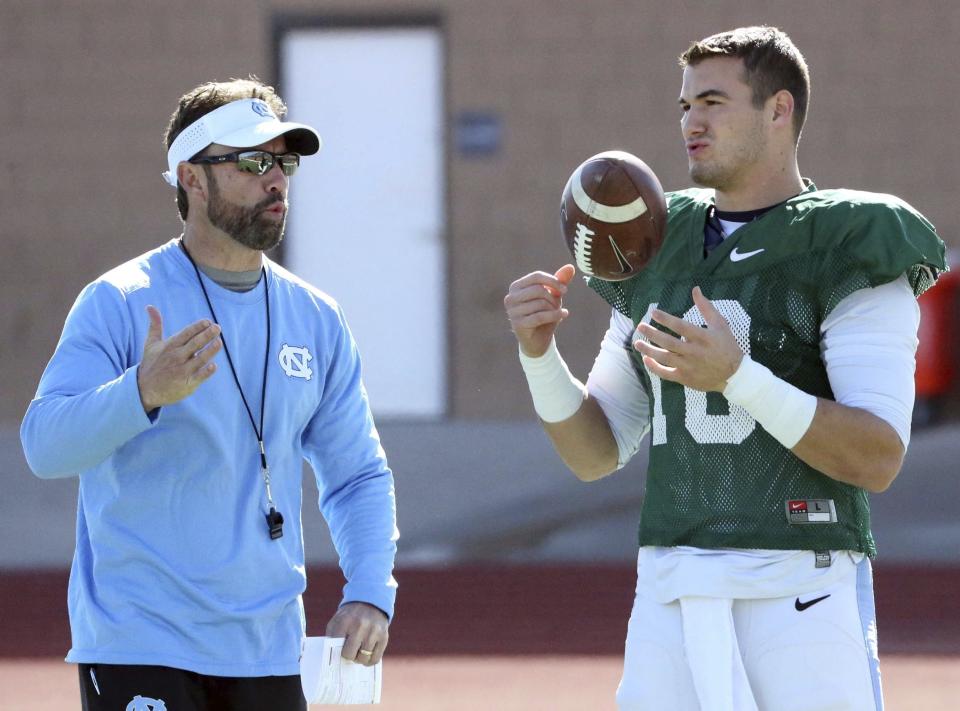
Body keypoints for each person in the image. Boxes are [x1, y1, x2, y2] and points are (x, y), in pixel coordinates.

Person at [504, 27, 946, 711]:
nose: (692, 122)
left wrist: (740, 379)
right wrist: (539, 355)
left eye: (713, 101)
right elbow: (596, 451)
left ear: (780, 110)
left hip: (799, 580)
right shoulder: (659, 238)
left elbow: (878, 455)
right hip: (670, 584)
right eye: (684, 105)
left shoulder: (849, 237)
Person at [20, 78, 398, 711]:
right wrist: (142, 391)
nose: (276, 180)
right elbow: (44, 445)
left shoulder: (317, 317)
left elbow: (357, 473)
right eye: (253, 162)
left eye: (285, 162)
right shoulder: (118, 301)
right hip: (140, 643)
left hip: (266, 648)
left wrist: (368, 591)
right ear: (191, 178)